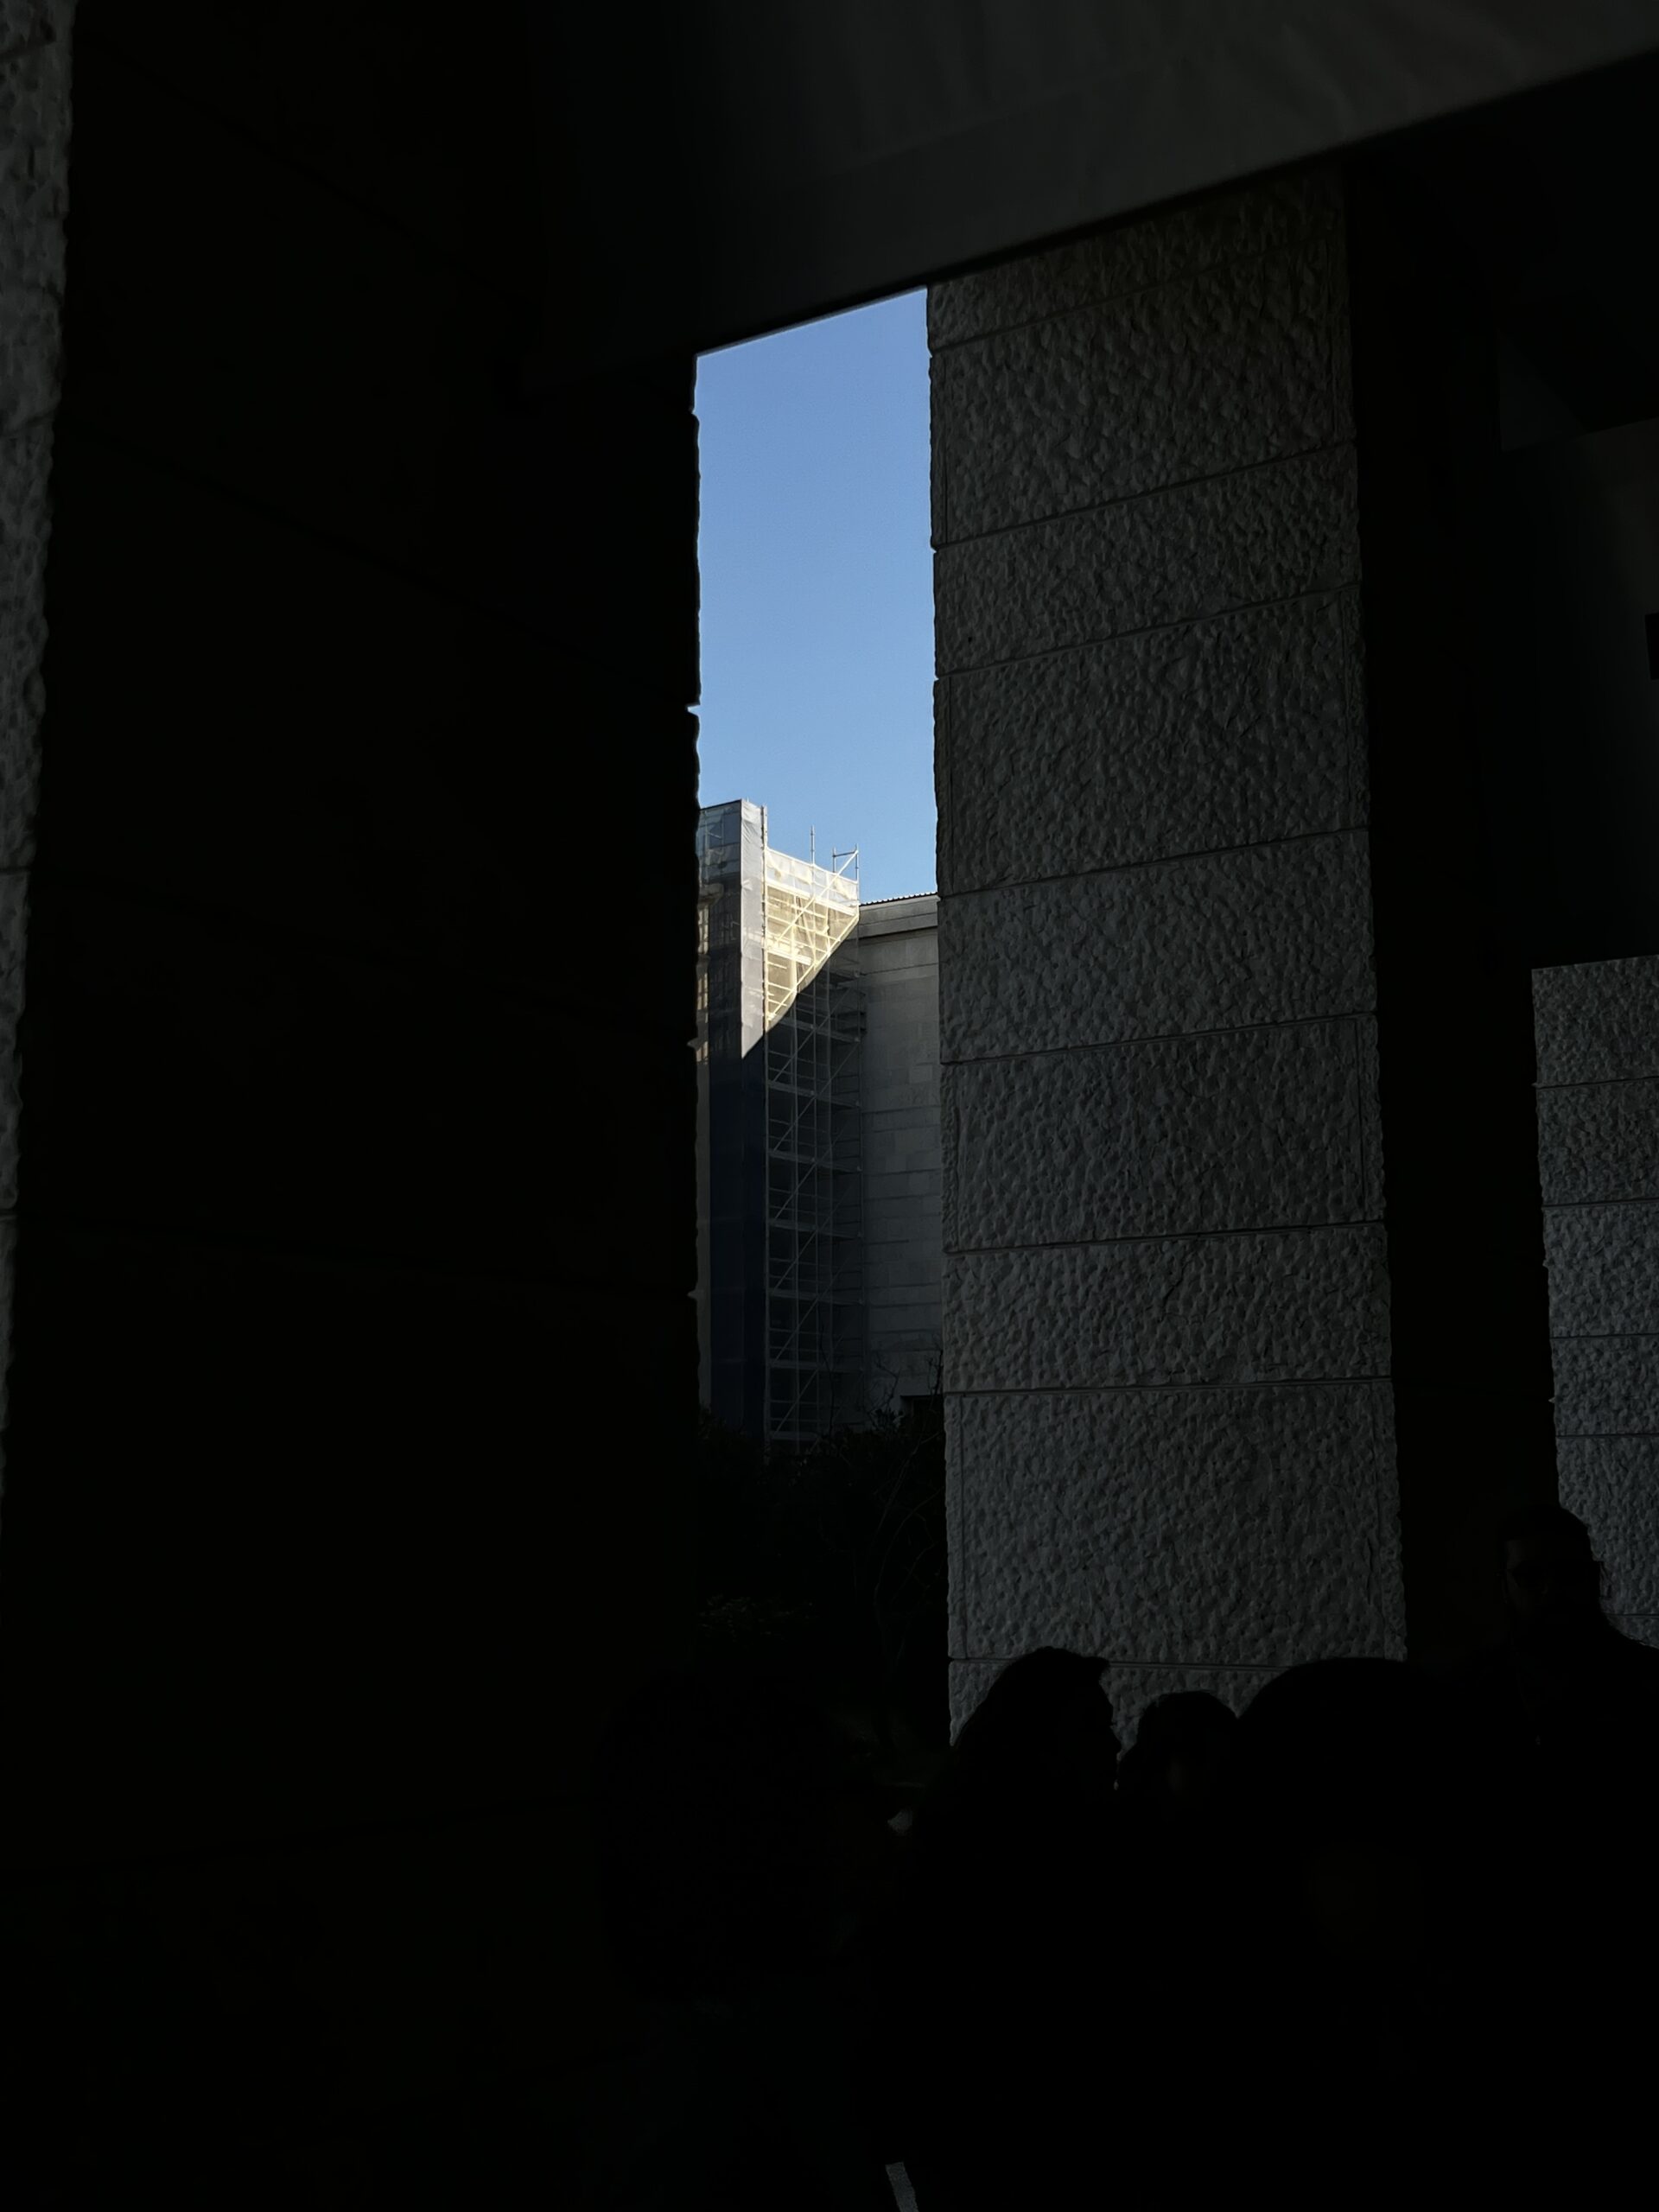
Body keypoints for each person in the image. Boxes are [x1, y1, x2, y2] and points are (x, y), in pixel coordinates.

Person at [867, 1649, 1125, 2209]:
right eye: (1094, 1727)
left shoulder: (957, 1844)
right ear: (1042, 1743)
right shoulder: (1022, 1864)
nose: (1114, 1745)